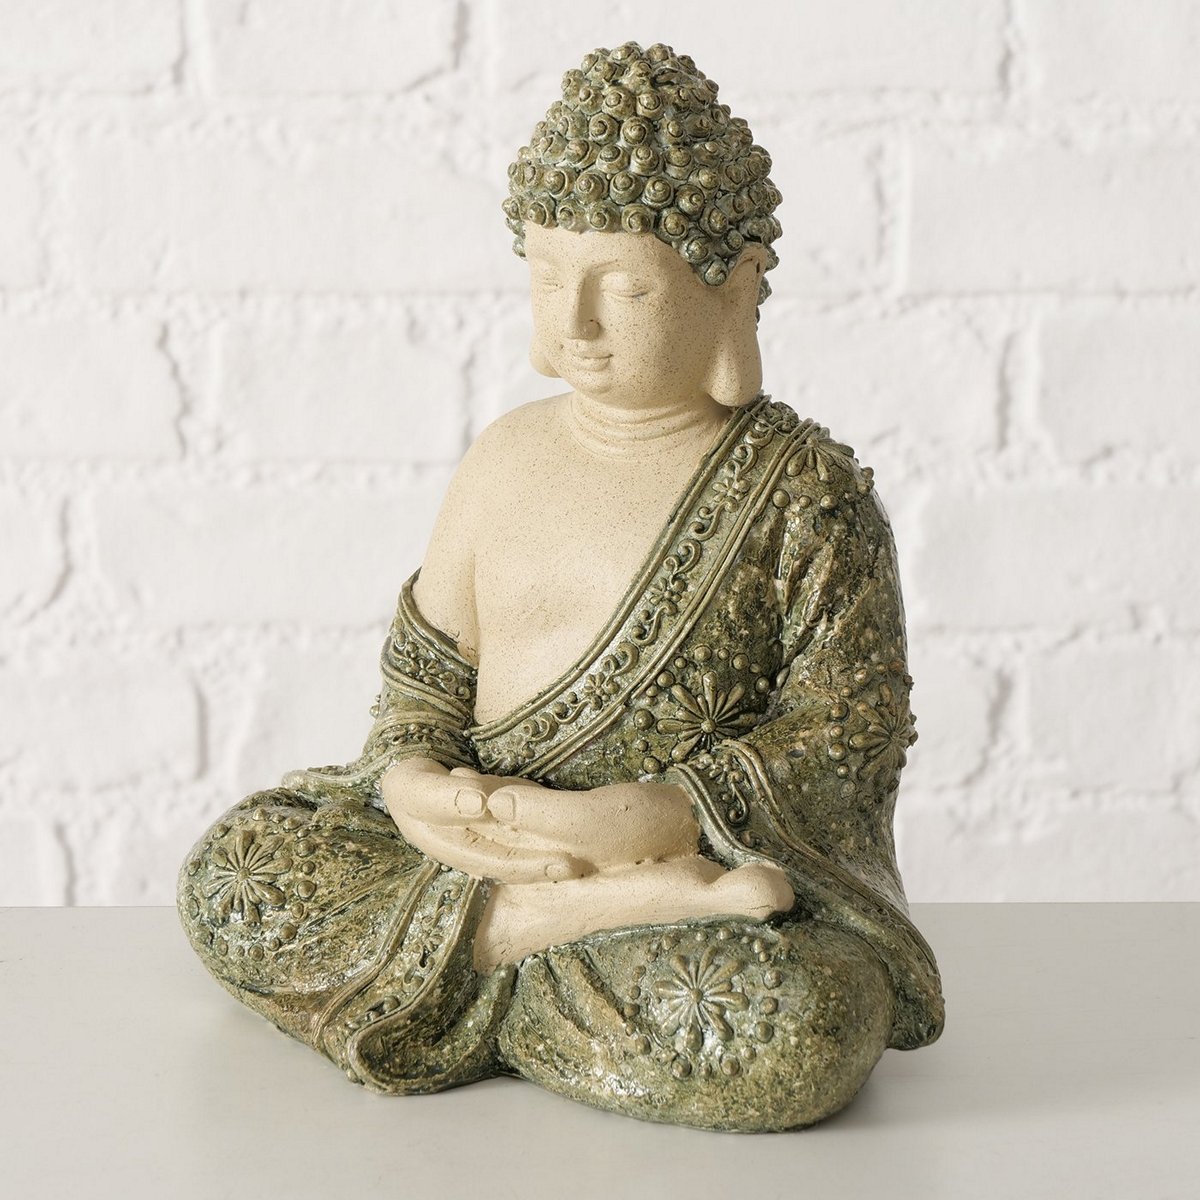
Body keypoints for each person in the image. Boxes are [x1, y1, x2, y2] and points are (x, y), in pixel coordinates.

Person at [177, 41, 943, 1132]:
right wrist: (414, 782)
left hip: (686, 866)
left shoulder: (803, 493)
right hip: (481, 842)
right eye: (548, 280)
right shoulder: (504, 455)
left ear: (734, 286)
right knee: (239, 868)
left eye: (624, 288)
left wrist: (657, 815)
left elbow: (850, 730)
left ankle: (483, 956)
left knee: (812, 1013)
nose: (575, 323)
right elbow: (425, 682)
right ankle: (553, 926)